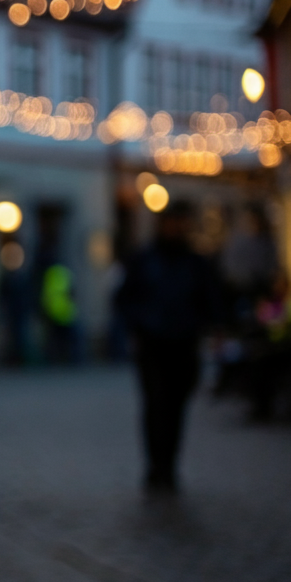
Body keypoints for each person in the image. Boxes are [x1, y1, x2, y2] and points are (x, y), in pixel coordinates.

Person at [115, 201, 220, 492]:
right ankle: (156, 466)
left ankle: (169, 465)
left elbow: (210, 300)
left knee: (175, 406)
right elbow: (125, 298)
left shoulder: (194, 263)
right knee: (155, 405)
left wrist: (204, 324)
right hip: (153, 343)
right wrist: (139, 324)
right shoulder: (145, 260)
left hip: (183, 343)